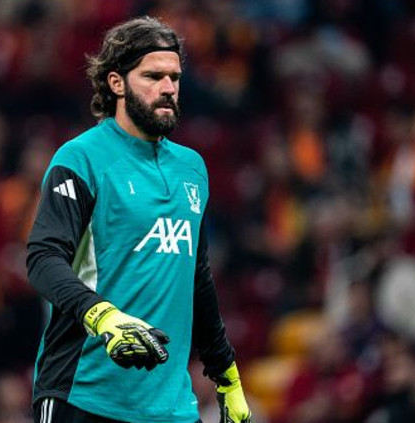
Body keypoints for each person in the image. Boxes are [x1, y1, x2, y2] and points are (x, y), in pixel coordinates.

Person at [26, 16, 252, 423]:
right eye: (153, 76)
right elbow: (43, 258)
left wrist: (227, 376)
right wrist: (104, 316)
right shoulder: (81, 158)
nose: (168, 88)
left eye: (174, 77)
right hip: (83, 394)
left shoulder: (192, 169)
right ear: (116, 83)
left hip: (171, 407)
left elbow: (197, 277)